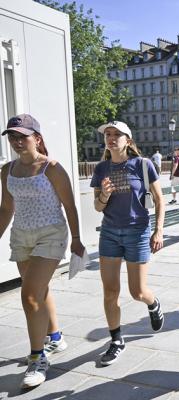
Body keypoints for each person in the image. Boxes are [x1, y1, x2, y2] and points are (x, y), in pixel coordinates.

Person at [0, 114, 85, 388]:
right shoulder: (7, 170)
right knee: (39, 290)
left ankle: (37, 358)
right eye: (12, 137)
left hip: (51, 233)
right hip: (21, 236)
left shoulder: (52, 168)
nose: (16, 142)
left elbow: (70, 206)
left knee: (29, 295)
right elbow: (6, 209)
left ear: (36, 138)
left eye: (22, 136)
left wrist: (77, 239)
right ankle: (55, 338)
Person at [91, 121, 165, 366]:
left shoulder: (143, 165)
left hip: (138, 232)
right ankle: (116, 340)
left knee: (138, 292)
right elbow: (97, 206)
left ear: (128, 140)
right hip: (110, 233)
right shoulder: (101, 169)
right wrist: (104, 195)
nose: (111, 138)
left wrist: (159, 231)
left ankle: (153, 305)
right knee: (110, 292)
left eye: (117, 135)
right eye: (108, 135)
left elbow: (159, 199)